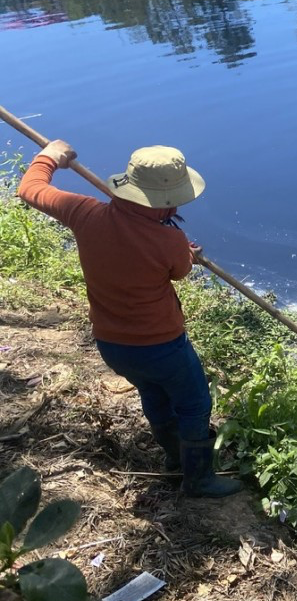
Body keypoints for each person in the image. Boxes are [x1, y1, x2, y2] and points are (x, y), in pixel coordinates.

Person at [18, 140, 241, 499]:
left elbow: (29, 189)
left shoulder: (84, 213)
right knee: (195, 404)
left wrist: (49, 158)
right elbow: (179, 271)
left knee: (152, 392)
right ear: (167, 202)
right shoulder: (170, 239)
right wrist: (189, 256)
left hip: (114, 346)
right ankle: (198, 478)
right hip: (164, 347)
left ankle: (174, 458)